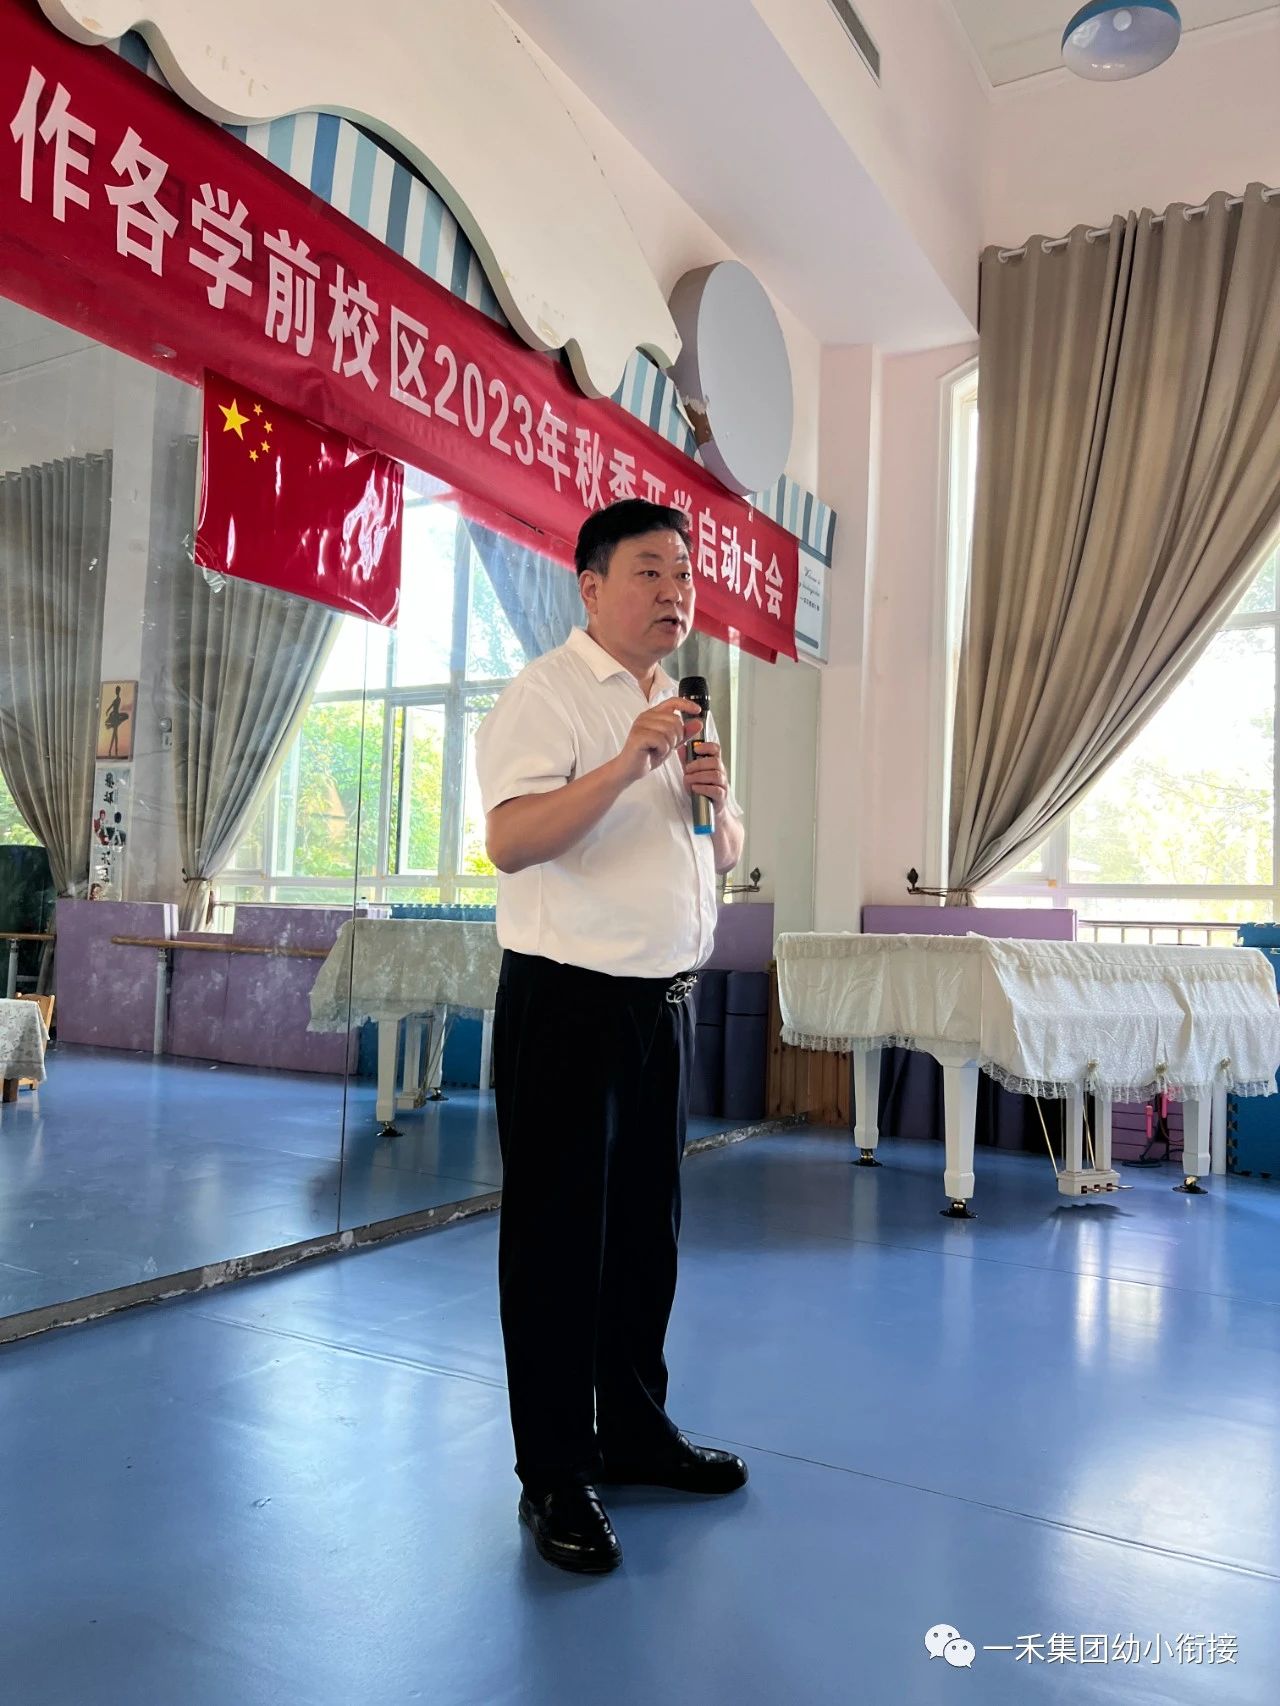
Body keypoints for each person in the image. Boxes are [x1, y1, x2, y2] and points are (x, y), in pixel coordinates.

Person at [475, 498, 749, 1574]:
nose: (676, 592)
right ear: (590, 585)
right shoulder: (547, 694)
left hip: (660, 1004)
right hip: (566, 1003)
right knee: (556, 1244)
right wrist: (629, 763)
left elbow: (716, 848)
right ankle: (553, 1472)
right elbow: (510, 840)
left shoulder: (678, 706)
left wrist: (714, 803)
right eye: (650, 571)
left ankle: (633, 1431)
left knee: (645, 1234)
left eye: (684, 574)